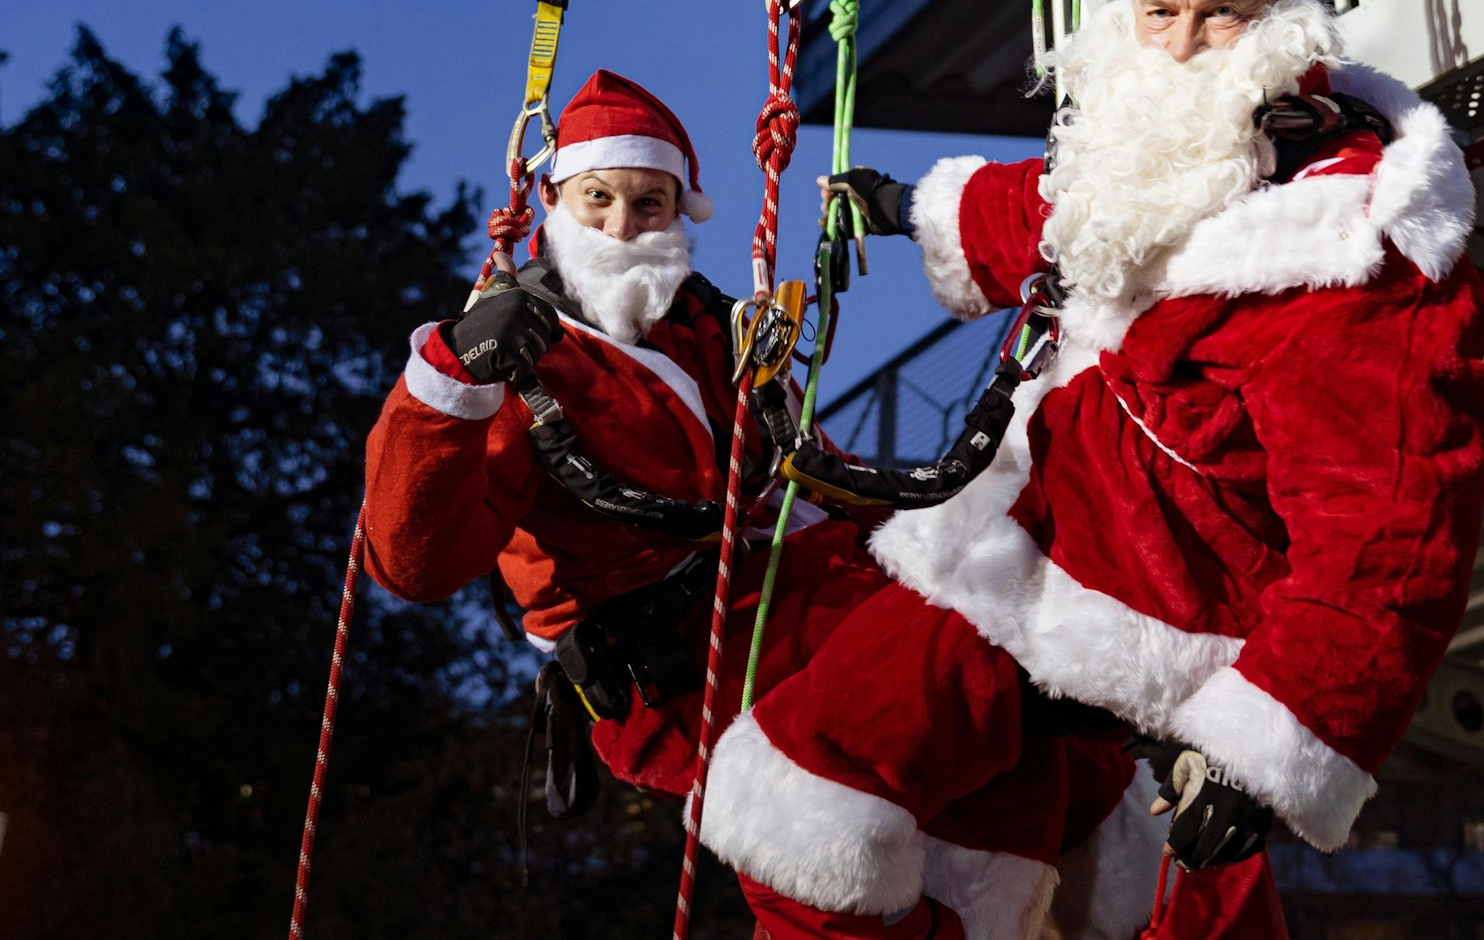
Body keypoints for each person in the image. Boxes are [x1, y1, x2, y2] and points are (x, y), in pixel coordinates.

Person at [696, 0, 1484, 938]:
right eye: (1159, 11)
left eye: (1219, 16)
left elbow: (1393, 528)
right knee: (810, 797)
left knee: (842, 793)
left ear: (1282, 26)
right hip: (1012, 548)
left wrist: (1267, 748)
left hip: (1162, 622)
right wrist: (909, 208)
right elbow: (1064, 207)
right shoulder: (1159, 155)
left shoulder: (1348, 253)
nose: (1178, 45)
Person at [358, 70, 1153, 940]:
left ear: (680, 212)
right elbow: (416, 562)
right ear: (554, 203)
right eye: (598, 201)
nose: (624, 227)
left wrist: (951, 538)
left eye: (649, 204)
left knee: (1047, 740)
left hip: (801, 602)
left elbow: (819, 474)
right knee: (873, 762)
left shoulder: (714, 333)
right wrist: (447, 382)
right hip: (679, 662)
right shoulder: (521, 362)